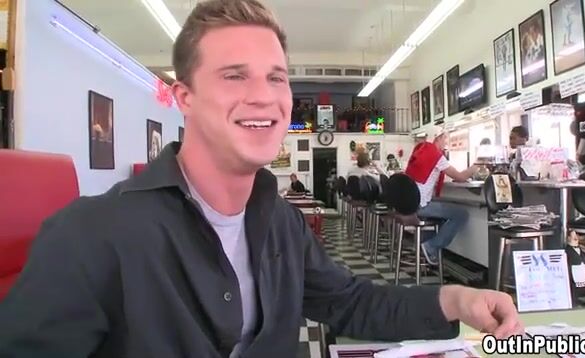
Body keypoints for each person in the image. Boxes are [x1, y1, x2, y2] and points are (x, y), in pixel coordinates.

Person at [0, 1, 522, 357]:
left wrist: (456, 299)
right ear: (184, 98)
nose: (264, 96)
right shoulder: (89, 237)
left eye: (275, 77)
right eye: (234, 76)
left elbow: (351, 302)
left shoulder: (282, 226)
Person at [405, 129, 479, 265]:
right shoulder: (437, 156)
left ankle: (423, 249)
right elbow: (461, 176)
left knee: (439, 217)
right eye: (445, 138)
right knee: (461, 214)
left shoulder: (421, 149)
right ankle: (431, 246)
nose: (447, 141)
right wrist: (477, 165)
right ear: (438, 138)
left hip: (408, 203)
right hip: (420, 205)